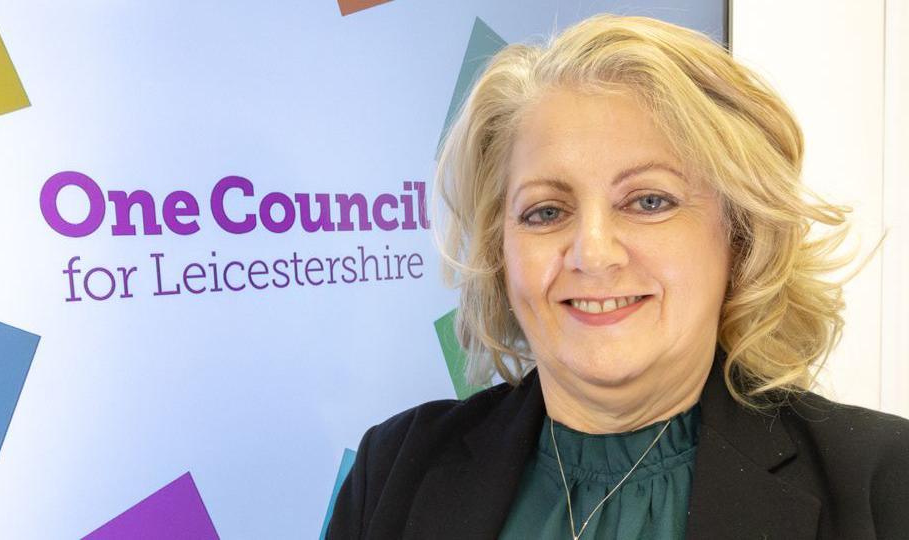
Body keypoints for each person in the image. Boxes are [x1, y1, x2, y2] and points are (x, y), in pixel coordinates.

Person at [326, 14, 908, 540]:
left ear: (739, 235)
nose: (594, 254)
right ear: (501, 252)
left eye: (649, 201)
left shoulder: (886, 485)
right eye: (546, 211)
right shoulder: (393, 470)